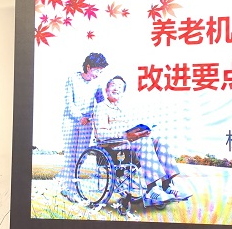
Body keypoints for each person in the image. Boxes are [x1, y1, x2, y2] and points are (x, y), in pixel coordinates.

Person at [94, 75, 191, 207]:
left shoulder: (123, 111)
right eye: (113, 85)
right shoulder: (101, 107)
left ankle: (167, 185)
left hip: (128, 147)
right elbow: (101, 134)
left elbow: (130, 133)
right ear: (106, 89)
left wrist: (141, 133)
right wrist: (125, 135)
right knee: (144, 143)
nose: (116, 89)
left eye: (120, 87)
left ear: (123, 93)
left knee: (160, 141)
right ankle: (152, 189)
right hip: (112, 149)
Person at [57, 52, 109, 202]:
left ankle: (66, 182)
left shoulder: (97, 84)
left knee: (81, 156)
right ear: (88, 67)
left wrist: (102, 116)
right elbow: (69, 102)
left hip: (87, 123)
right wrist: (80, 117)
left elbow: (101, 102)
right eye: (97, 70)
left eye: (101, 71)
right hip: (71, 121)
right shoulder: (72, 79)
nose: (98, 74)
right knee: (70, 157)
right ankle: (71, 190)